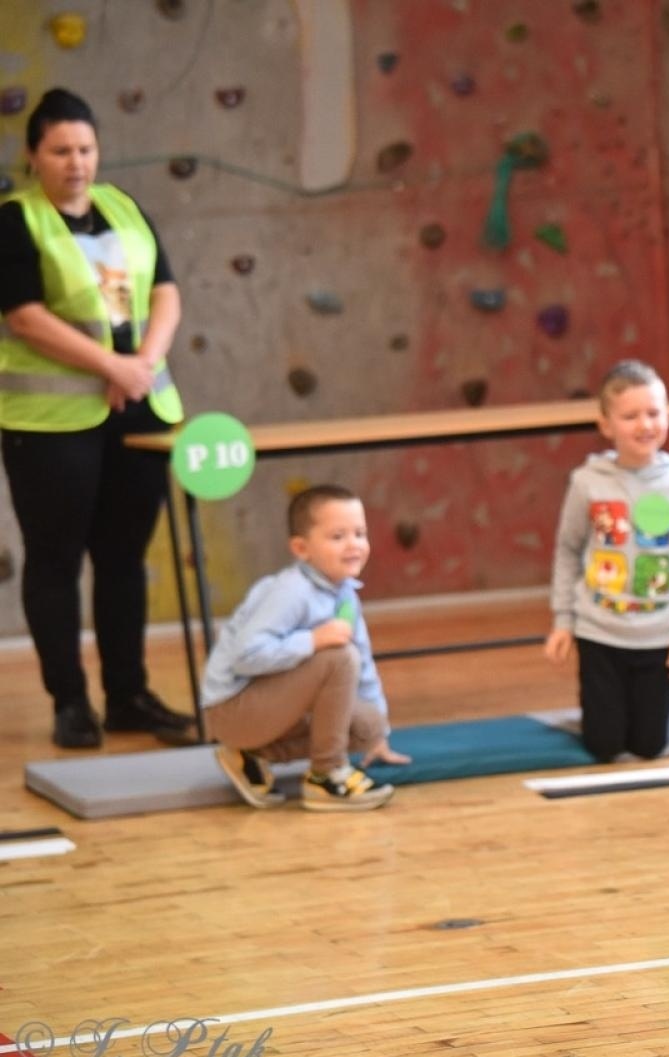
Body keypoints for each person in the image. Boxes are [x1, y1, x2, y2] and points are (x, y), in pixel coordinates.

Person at [0, 87, 195, 749]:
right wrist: (111, 368)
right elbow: (25, 317)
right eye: (60, 150)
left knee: (123, 559)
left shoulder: (122, 208)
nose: (76, 162)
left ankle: (129, 696)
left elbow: (164, 290)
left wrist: (139, 363)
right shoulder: (15, 221)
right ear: (34, 156)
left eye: (85, 148)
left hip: (135, 408)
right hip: (52, 419)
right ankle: (71, 703)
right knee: (55, 561)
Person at [545, 359, 669, 762]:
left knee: (648, 746)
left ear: (667, 416)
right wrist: (563, 621)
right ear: (606, 425)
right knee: (603, 746)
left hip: (659, 637)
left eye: (654, 413)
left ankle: (668, 687)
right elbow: (568, 549)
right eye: (630, 415)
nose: (645, 424)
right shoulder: (586, 482)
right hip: (599, 635)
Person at [201, 484, 407, 812]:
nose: (353, 544)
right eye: (338, 536)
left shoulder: (346, 596)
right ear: (301, 548)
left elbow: (364, 665)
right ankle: (325, 776)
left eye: (360, 533)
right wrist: (312, 640)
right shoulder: (292, 591)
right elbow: (245, 656)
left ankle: (250, 756)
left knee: (368, 725)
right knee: (339, 657)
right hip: (231, 710)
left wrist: (380, 734)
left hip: (267, 707)